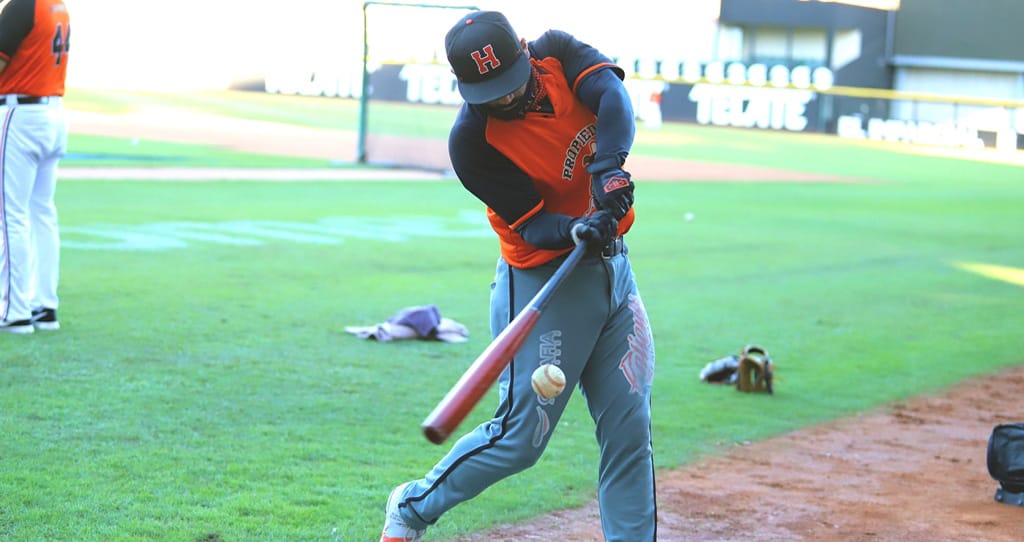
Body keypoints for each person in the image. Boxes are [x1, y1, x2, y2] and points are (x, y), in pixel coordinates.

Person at [380, 11, 656, 541]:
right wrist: (580, 226)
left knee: (630, 429)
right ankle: (411, 508)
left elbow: (613, 99)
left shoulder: (558, 52)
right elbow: (533, 227)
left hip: (615, 275)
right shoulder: (471, 141)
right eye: (489, 92)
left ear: (525, 51)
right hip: (545, 284)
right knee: (519, 439)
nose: (504, 100)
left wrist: (609, 168)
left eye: (509, 84)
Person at [0, 0, 70, 334]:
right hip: (54, 113)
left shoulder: (21, 6)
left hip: (21, 114)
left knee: (11, 215)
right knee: (43, 212)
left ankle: (14, 311)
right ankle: (45, 306)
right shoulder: (58, 6)